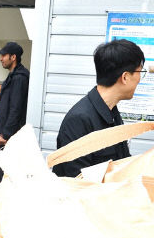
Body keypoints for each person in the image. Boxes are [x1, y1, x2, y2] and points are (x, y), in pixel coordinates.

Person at [53, 39, 144, 177]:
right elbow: (77, 181)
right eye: (140, 72)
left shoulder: (112, 113)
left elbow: (121, 161)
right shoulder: (79, 120)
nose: (140, 79)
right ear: (125, 77)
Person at [0, 41, 29, 180]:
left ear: (13, 57)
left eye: (3, 55)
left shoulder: (19, 78)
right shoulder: (13, 75)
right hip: (5, 132)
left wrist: (5, 134)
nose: (1, 58)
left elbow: (16, 109)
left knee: (8, 172)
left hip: (10, 135)